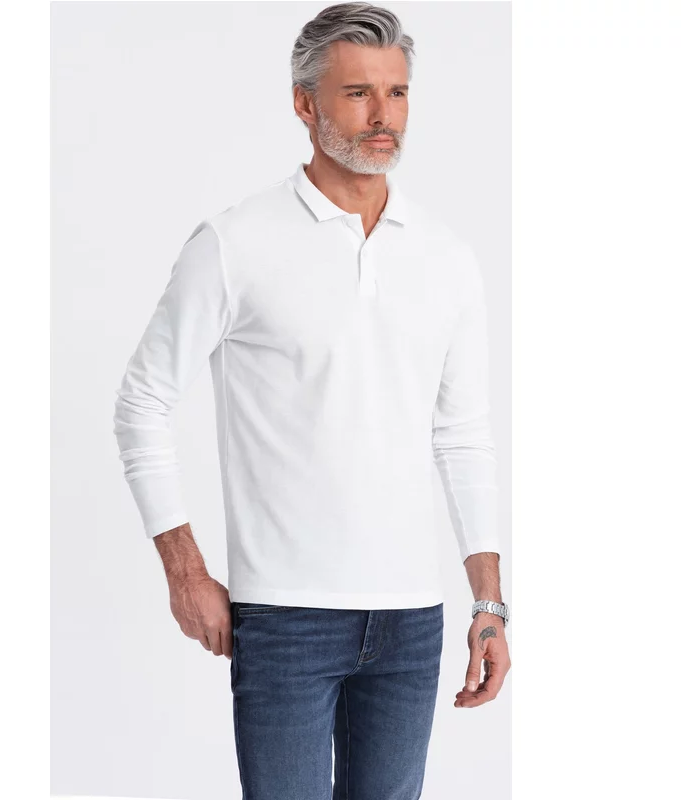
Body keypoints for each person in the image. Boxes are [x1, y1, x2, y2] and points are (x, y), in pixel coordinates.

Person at [112, 3, 511, 797]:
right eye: (358, 93)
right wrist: (186, 571)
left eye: (397, 92)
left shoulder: (447, 258)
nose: (383, 115)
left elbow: (462, 436)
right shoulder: (234, 244)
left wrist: (488, 602)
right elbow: (142, 402)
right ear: (305, 103)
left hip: (411, 620)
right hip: (284, 616)